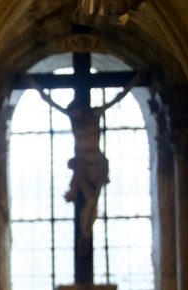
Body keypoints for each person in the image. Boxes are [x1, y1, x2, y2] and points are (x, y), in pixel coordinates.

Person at [28, 73, 140, 255]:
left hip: (96, 164)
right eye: (72, 113)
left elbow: (118, 98)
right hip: (81, 165)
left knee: (93, 200)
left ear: (80, 108)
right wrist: (33, 84)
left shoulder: (95, 114)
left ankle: (86, 232)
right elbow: (49, 100)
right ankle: (84, 232)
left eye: (75, 111)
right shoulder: (73, 119)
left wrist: (135, 81)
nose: (74, 115)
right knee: (89, 199)